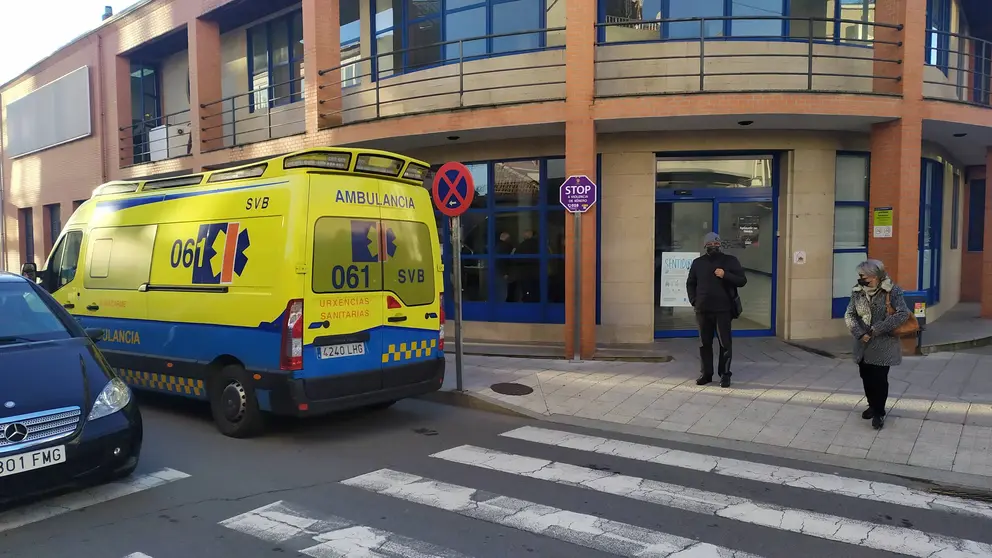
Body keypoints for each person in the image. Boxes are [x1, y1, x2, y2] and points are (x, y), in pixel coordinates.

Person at [843, 259, 911, 430]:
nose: (860, 279)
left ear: (874, 276)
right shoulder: (858, 291)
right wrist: (860, 333)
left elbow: (903, 313)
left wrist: (877, 329)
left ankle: (879, 412)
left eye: (862, 276)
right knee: (866, 376)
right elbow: (849, 314)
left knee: (879, 379)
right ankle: (871, 405)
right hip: (863, 345)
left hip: (884, 343)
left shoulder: (892, 291)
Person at [686, 232, 747, 388]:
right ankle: (706, 374)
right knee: (704, 344)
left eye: (715, 244)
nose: (713, 246)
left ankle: (724, 374)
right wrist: (694, 301)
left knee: (725, 344)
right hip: (703, 310)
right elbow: (690, 283)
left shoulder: (730, 261)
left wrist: (725, 274)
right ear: (705, 246)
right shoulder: (698, 263)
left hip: (723, 310)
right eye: (710, 244)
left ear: (720, 245)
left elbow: (742, 281)